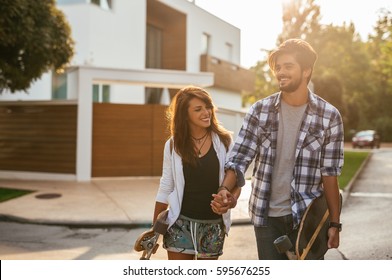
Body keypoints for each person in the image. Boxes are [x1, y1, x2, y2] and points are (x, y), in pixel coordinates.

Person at [211, 39, 344, 260]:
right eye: (278, 67)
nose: (281, 72)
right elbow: (240, 158)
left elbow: (330, 174)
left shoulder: (329, 116)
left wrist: (334, 224)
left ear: (306, 71)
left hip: (306, 218)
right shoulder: (260, 110)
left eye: (288, 66)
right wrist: (225, 188)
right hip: (266, 217)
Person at [153, 86, 240, 260]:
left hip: (213, 226)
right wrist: (154, 229)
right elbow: (166, 185)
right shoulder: (173, 145)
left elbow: (236, 179)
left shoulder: (224, 141)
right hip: (179, 224)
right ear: (185, 115)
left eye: (208, 107)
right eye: (198, 109)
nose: (206, 112)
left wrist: (232, 200)